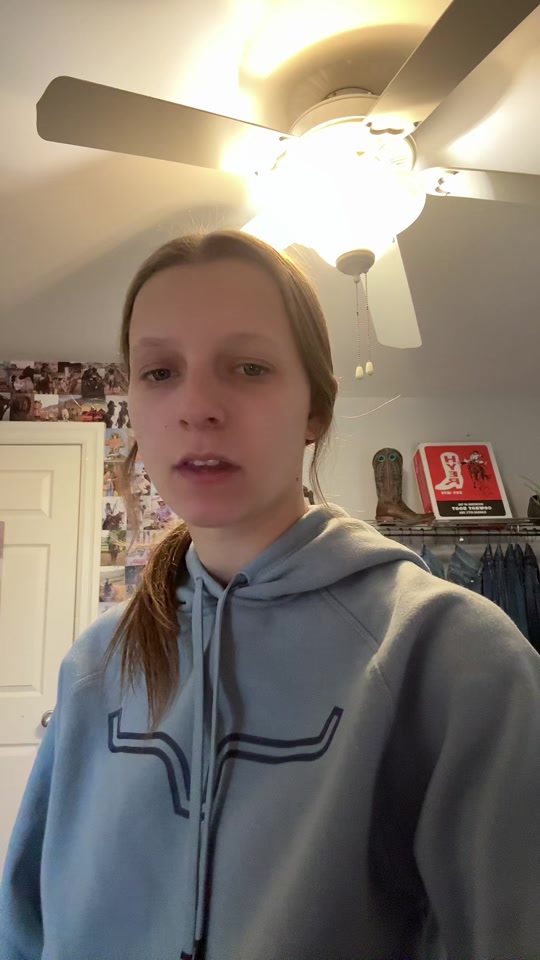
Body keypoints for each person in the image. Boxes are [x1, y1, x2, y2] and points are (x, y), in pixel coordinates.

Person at [1, 231, 539, 960]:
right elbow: (26, 928)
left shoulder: (455, 657)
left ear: (316, 409)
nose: (196, 407)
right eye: (160, 371)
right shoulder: (96, 665)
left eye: (249, 367)